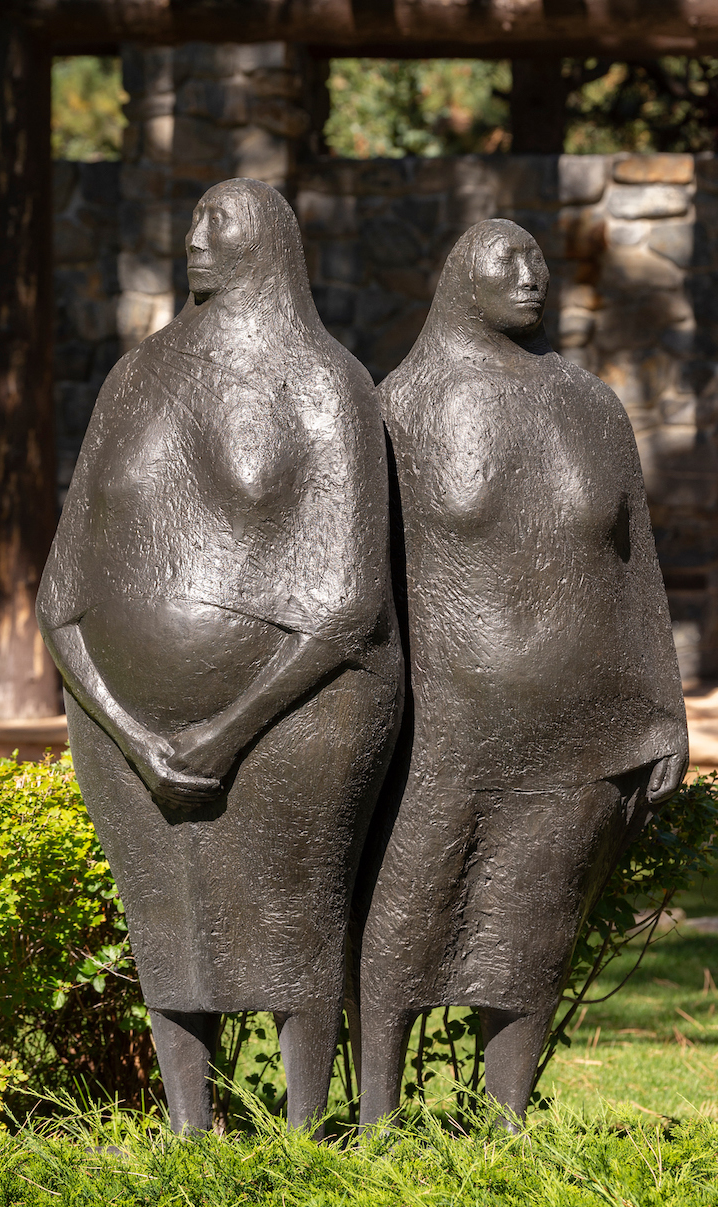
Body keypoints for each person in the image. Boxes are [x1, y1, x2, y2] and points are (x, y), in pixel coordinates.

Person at [37, 178, 403, 1134]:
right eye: (195, 220)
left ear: (271, 242)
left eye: (222, 223)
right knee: (170, 928)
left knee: (292, 924)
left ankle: (304, 1132)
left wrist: (225, 728)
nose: (197, 238)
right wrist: (131, 726)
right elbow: (60, 586)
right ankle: (189, 1132)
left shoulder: (326, 382)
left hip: (299, 711)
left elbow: (351, 597)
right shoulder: (132, 378)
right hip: (129, 729)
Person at [353, 218, 688, 1129]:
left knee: (530, 938)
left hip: (578, 729)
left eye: (539, 261)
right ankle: (374, 1125)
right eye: (510, 262)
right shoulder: (400, 407)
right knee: (401, 927)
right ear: (462, 278)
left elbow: (635, 571)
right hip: (443, 729)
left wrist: (664, 710)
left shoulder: (591, 406)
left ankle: (507, 1127)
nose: (533, 276)